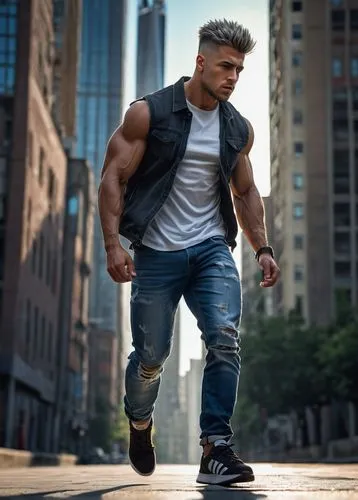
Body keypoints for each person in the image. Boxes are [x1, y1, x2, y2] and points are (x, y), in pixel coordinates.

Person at [98, 18, 280, 486]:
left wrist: (262, 248)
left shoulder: (237, 128)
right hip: (155, 252)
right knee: (151, 356)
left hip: (210, 248)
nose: (232, 78)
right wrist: (112, 245)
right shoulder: (149, 114)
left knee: (224, 335)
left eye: (239, 70)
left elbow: (245, 192)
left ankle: (215, 448)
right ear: (200, 62)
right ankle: (140, 422)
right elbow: (112, 177)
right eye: (225, 67)